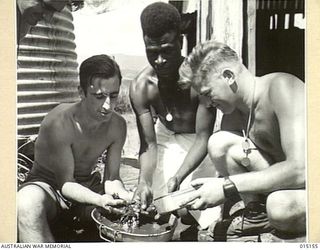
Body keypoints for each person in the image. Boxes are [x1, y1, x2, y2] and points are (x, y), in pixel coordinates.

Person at [178, 41, 305, 238]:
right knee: (219, 143)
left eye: (206, 93)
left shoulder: (282, 87)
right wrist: (194, 198)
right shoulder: (234, 115)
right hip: (288, 184)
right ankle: (257, 215)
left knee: (279, 207)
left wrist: (227, 186)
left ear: (228, 76)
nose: (206, 104)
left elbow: (302, 170)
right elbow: (233, 177)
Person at [18, 55, 133, 242]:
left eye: (113, 96)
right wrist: (99, 199)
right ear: (81, 92)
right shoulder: (59, 122)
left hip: (86, 186)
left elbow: (112, 178)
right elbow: (66, 184)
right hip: (49, 188)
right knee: (26, 204)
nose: (108, 105)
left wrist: (124, 196)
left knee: (128, 215)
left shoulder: (117, 125)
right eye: (99, 96)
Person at [129, 2, 220, 228]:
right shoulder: (141, 87)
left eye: (167, 50)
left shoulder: (200, 79)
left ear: (180, 42)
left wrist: (178, 177)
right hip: (165, 137)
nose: (160, 60)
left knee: (201, 213)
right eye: (152, 53)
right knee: (156, 205)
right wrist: (144, 181)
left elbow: (203, 138)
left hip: (199, 142)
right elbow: (149, 145)